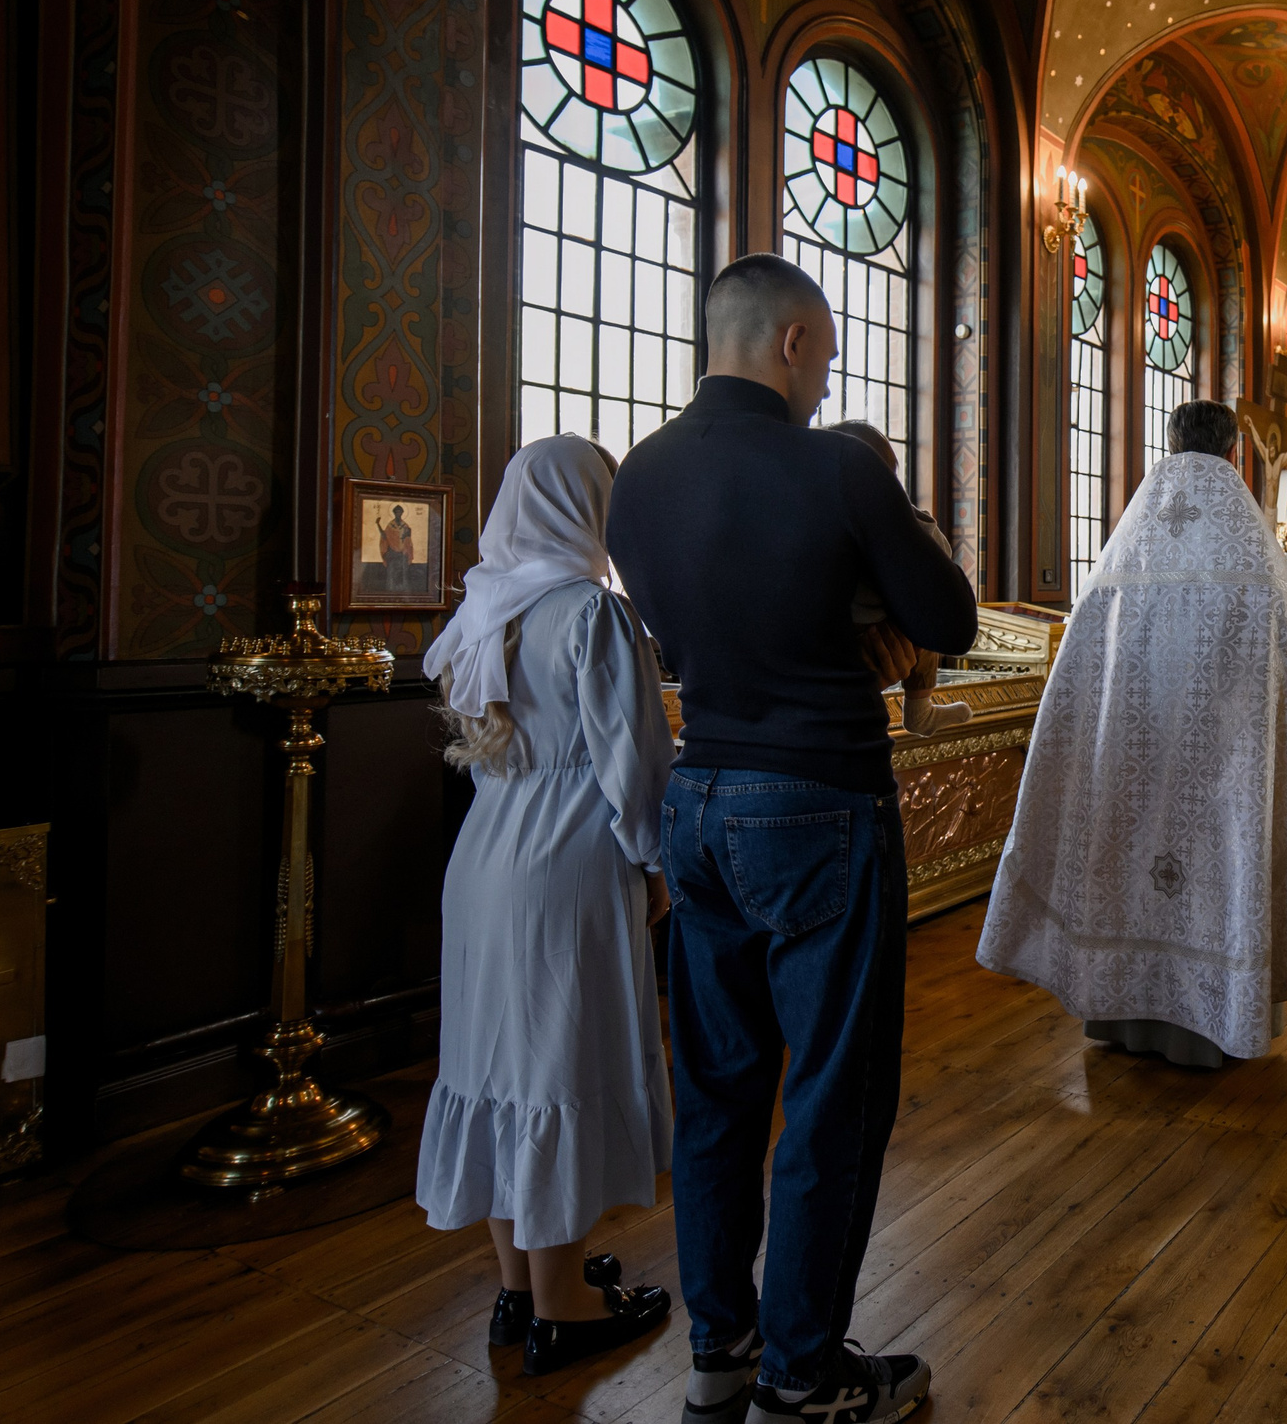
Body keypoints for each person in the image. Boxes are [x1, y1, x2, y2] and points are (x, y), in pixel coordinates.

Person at [607, 252, 977, 1424]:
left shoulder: (638, 476)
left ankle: (721, 1345)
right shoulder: (836, 468)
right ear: (794, 341)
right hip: (817, 799)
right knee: (832, 1092)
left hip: (697, 799)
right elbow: (950, 615)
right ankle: (804, 1371)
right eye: (823, 358)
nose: (823, 384)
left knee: (716, 1088)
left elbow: (680, 635)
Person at [976, 399, 1287, 1069]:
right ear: (1234, 451)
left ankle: (1121, 1017)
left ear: (1170, 445)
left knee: (1126, 865)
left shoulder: (1130, 545)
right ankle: (1215, 1023)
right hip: (1227, 769)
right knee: (1217, 874)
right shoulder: (1246, 546)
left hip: (1129, 761)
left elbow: (1080, 658)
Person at [415, 433, 676, 1377]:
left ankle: (520, 1285)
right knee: (560, 1063)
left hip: (481, 862)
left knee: (494, 1067)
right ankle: (565, 1307)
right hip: (567, 865)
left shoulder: (483, 612)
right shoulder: (593, 613)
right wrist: (656, 863)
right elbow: (634, 766)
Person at [821, 419, 972, 738]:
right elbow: (941, 561)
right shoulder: (901, 519)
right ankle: (919, 709)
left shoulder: (820, 521)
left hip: (841, 635)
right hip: (886, 630)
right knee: (928, 623)